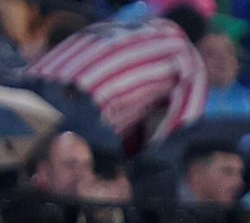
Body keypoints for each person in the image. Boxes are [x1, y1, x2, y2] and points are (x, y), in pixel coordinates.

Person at [25, 4, 207, 148]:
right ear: (198, 40)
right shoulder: (188, 55)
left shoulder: (123, 24)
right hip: (82, 102)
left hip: (31, 81)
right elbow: (181, 128)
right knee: (109, 170)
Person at [146, 141, 246, 223]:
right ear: (196, 172)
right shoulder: (160, 214)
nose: (238, 182)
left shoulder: (233, 218)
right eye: (228, 171)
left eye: (239, 173)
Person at [199, 30, 250, 116]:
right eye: (211, 53)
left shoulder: (247, 98)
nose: (222, 58)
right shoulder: (191, 100)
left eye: (229, 52)